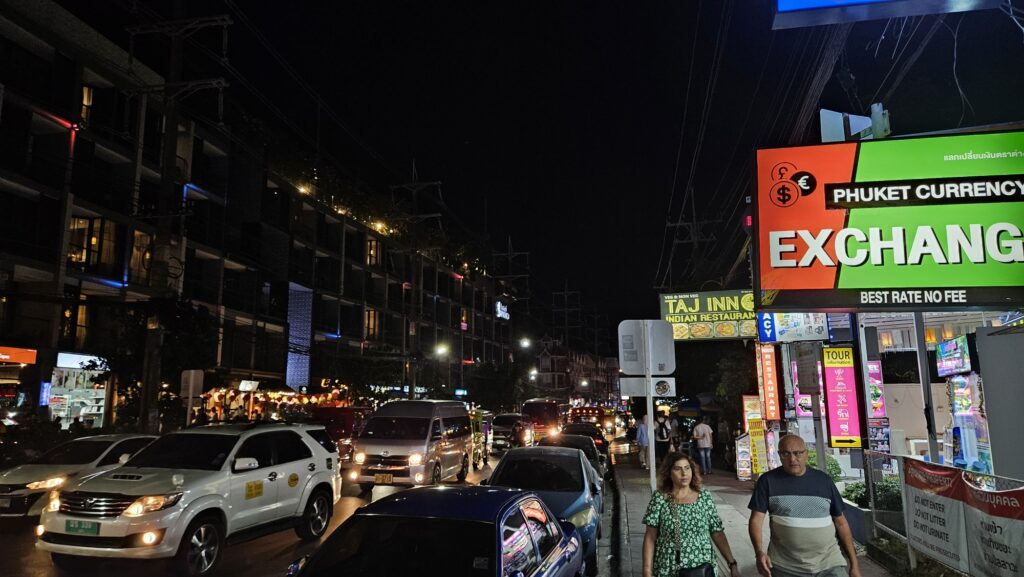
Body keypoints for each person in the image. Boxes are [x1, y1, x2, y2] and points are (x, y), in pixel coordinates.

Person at [748, 434, 861, 577]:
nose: (792, 459)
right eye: (786, 454)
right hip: (785, 567)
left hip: (829, 563)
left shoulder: (824, 481)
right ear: (779, 455)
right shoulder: (767, 481)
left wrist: (854, 564)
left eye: (797, 453)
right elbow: (756, 521)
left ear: (806, 454)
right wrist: (759, 552)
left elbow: (841, 523)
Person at [642, 451, 741, 577]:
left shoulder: (704, 496)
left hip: (703, 567)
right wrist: (647, 570)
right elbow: (650, 536)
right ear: (669, 473)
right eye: (677, 469)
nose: (684, 473)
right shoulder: (660, 498)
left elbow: (717, 532)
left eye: (687, 468)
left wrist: (732, 564)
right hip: (669, 568)